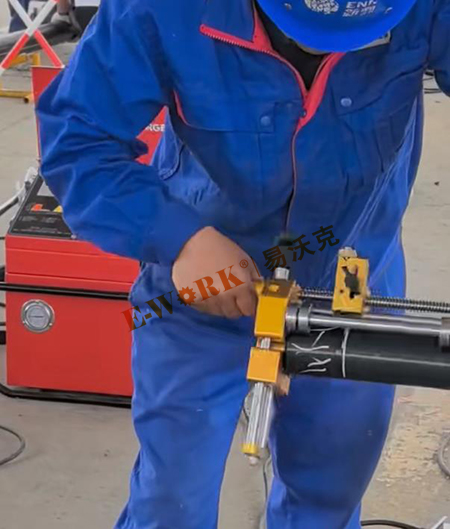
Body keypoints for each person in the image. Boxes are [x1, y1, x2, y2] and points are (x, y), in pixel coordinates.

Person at [36, 0, 450, 527]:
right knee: (173, 497)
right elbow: (78, 138)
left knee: (327, 495)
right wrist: (178, 239)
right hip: (201, 286)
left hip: (351, 283)